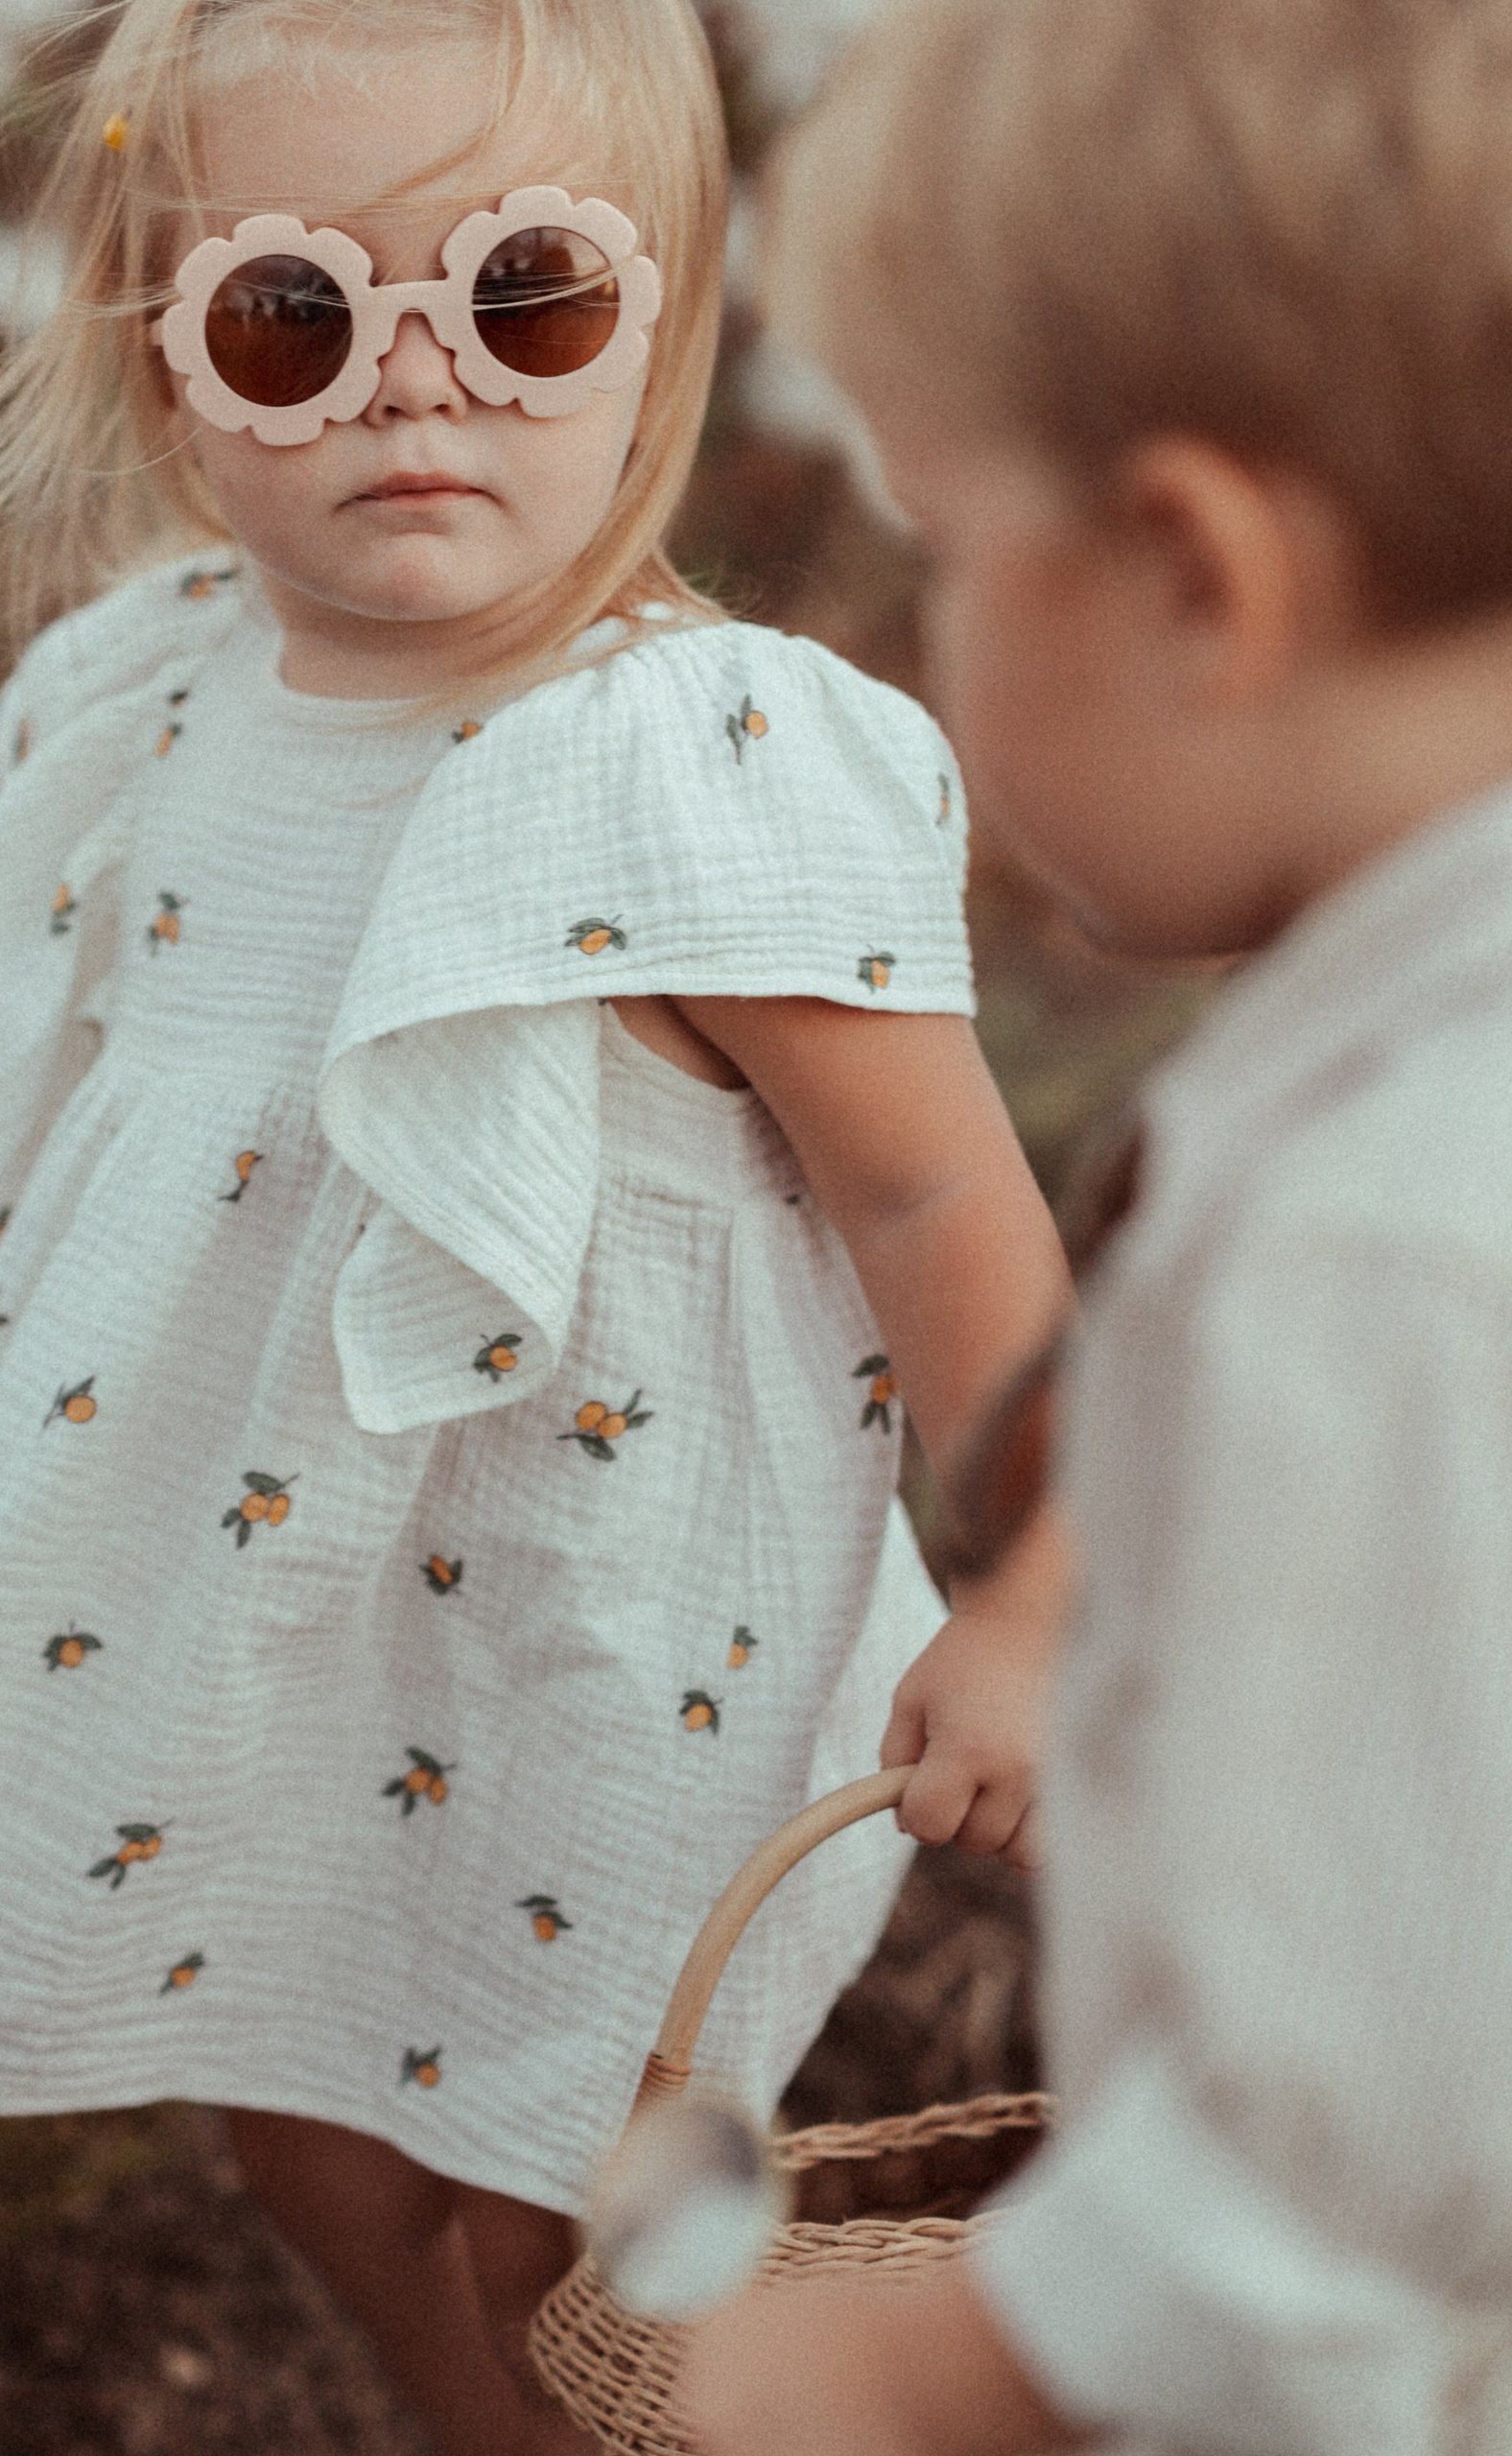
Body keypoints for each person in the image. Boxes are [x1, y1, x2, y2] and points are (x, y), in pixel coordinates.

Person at [0, 4, 1069, 2447]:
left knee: (564, 2188)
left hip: (612, 1638)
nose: (414, 386)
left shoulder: (681, 767)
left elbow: (937, 1185)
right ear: (170, 377)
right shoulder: (187, 683)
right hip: (275, 1603)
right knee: (295, 2105)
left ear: (662, 336)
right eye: (297, 316)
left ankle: (639, 2419)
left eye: (521, 299)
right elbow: (122, 932)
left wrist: (1047, 1594)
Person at [671, 2, 1512, 2451]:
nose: (915, 630)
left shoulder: (1383, 1235)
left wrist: (936, 2354)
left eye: (934, 547)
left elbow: (1380, 2142)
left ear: (1186, 574)